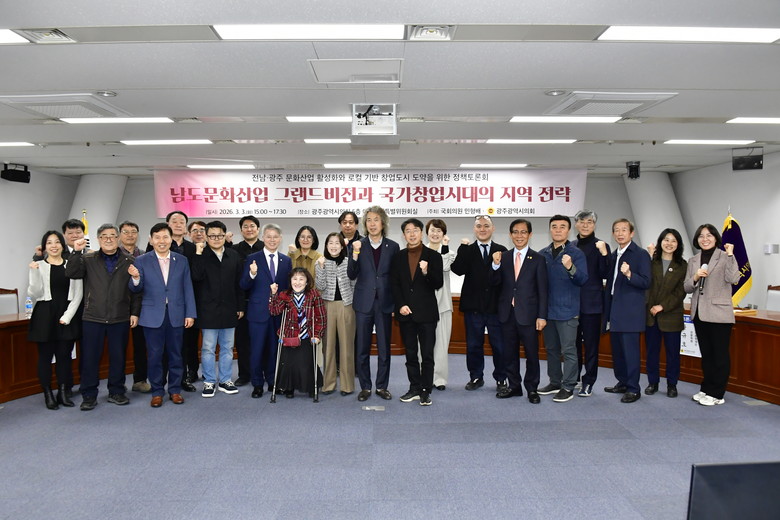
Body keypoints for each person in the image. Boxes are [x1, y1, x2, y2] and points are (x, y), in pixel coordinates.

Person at [66, 223, 140, 411]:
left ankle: (116, 391)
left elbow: (136, 290)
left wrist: (134, 312)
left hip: (120, 317)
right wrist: (76, 252)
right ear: (98, 239)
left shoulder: (130, 260)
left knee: (118, 357)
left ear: (118, 238)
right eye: (104, 236)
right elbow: (71, 272)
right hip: (93, 317)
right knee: (90, 358)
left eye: (112, 235)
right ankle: (89, 395)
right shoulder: (88, 259)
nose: (108, 239)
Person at [129, 223, 197, 407]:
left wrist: (190, 313)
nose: (161, 241)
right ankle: (157, 391)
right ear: (151, 240)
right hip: (152, 316)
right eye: (157, 237)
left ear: (171, 239)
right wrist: (135, 278)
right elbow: (135, 288)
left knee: (176, 355)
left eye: (165, 237)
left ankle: (175, 390)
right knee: (155, 355)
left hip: (176, 314)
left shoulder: (181, 260)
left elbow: (187, 288)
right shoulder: (141, 260)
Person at [491, 219, 548, 404]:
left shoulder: (538, 259)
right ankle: (514, 386)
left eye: (523, 232)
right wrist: (495, 266)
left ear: (530, 235)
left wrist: (542, 316)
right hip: (507, 314)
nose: (519, 235)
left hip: (529, 315)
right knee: (509, 353)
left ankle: (532, 388)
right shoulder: (503, 257)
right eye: (515, 232)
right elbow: (495, 284)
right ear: (510, 235)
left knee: (532, 354)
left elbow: (543, 290)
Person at [684, 224, 740, 406]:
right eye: (701, 236)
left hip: (719, 313)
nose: (705, 239)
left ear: (716, 238)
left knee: (719, 356)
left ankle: (717, 394)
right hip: (699, 313)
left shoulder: (725, 257)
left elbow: (734, 278)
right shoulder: (693, 260)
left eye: (709, 235)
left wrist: (730, 255)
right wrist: (695, 277)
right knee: (707, 355)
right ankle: (706, 388)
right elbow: (686, 287)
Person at [348, 205, 400, 402]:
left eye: (376, 219)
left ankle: (381, 386)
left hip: (385, 303)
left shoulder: (393, 246)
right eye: (368, 220)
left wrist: (396, 304)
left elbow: (396, 277)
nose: (372, 224)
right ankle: (365, 387)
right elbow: (351, 273)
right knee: (362, 348)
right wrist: (354, 253)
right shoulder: (357, 245)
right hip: (363, 303)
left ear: (383, 223)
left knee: (384, 348)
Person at [451, 215, 508, 392]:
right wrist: (462, 249)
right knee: (474, 345)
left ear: (493, 228)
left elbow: (505, 278)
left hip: (495, 308)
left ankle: (501, 379)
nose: (482, 229)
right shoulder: (467, 250)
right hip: (473, 307)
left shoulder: (502, 250)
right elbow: (457, 270)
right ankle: (476, 377)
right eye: (479, 226)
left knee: (499, 346)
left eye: (486, 226)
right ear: (474, 229)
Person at [27, 231, 83, 409]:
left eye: (57, 242)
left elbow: (78, 295)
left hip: (66, 315)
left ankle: (63, 392)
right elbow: (35, 293)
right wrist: (34, 272)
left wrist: (67, 316)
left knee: (64, 357)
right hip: (44, 316)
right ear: (44, 247)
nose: (53, 245)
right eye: (49, 242)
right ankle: (48, 394)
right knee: (45, 357)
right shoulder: (38, 265)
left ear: (62, 245)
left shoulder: (71, 264)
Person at [391, 218, 444, 406]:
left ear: (422, 233)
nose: (412, 234)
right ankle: (414, 387)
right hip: (406, 313)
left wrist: (426, 272)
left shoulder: (433, 256)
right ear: (403, 235)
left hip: (427, 314)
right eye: (408, 231)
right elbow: (394, 284)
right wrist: (400, 305)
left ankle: (425, 390)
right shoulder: (398, 257)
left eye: (415, 230)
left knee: (427, 355)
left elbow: (438, 283)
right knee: (411, 354)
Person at [191, 221, 245, 398]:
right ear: (206, 237)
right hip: (207, 309)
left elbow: (239, 284)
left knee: (228, 348)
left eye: (220, 235)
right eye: (212, 236)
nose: (216, 238)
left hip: (229, 308)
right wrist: (198, 254)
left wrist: (240, 306)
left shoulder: (233, 255)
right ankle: (209, 381)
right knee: (208, 348)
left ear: (224, 236)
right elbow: (196, 276)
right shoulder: (200, 255)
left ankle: (225, 380)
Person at [538, 215, 588, 403]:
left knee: (568, 350)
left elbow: (583, 279)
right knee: (551, 349)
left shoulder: (576, 254)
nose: (558, 230)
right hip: (548, 311)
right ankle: (555, 382)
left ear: (568, 230)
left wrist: (570, 267)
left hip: (568, 310)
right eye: (554, 226)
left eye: (562, 227)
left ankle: (568, 386)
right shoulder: (542, 253)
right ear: (550, 229)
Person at [601, 218, 651, 404]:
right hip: (614, 308)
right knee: (618, 351)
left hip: (630, 311)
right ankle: (622, 382)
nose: (620, 233)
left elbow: (646, 281)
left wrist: (630, 274)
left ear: (632, 233)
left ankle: (633, 388)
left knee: (630, 352)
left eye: (624, 229)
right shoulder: (614, 254)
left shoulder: (640, 254)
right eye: (616, 230)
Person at [239, 223, 291, 399]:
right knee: (257, 349)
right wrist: (252, 274)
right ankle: (257, 384)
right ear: (263, 238)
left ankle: (273, 381)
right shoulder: (253, 259)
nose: (272, 240)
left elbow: (288, 288)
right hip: (258, 312)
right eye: (268, 236)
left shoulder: (286, 260)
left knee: (274, 349)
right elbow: (243, 285)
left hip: (278, 313)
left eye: (275, 237)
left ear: (280, 239)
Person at [269, 268, 326, 398]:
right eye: (294, 279)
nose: (297, 282)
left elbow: (321, 317)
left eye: (301, 279)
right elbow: (274, 311)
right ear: (290, 281)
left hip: (307, 335)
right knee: (289, 364)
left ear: (307, 281)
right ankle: (289, 387)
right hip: (290, 335)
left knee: (306, 363)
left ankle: (311, 386)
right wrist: (273, 294)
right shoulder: (285, 295)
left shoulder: (313, 294)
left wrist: (317, 335)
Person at [571, 210, 610, 397]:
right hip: (572, 304)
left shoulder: (601, 245)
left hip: (592, 304)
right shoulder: (570, 245)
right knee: (572, 346)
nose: (585, 225)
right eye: (582, 221)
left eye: (589, 222)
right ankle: (574, 378)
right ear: (576, 224)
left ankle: (589, 381)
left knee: (591, 347)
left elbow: (605, 274)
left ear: (594, 225)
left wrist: (604, 254)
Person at [644, 228, 687, 398]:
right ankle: (652, 383)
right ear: (660, 242)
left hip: (671, 315)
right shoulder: (651, 262)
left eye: (673, 241)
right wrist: (651, 306)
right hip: (651, 316)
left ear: (678, 244)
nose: (669, 243)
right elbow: (646, 285)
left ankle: (672, 385)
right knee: (651, 352)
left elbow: (680, 292)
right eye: (666, 240)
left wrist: (662, 306)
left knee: (673, 354)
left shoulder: (682, 265)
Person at [314, 232, 356, 396]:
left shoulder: (349, 262)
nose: (333, 246)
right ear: (326, 245)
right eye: (330, 243)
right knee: (328, 347)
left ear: (342, 245)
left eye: (337, 243)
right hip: (327, 306)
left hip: (347, 306)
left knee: (347, 346)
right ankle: (329, 384)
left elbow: (354, 284)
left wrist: (352, 302)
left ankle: (347, 385)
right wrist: (321, 268)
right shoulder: (321, 262)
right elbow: (320, 286)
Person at [231, 215, 264, 387]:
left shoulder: (266, 248)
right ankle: (244, 374)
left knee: (263, 339)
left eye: (252, 226)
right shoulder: (234, 250)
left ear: (258, 229)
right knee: (242, 340)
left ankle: (264, 371)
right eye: (245, 226)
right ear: (241, 230)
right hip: (242, 302)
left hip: (263, 301)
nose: (249, 229)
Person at [119, 220, 151, 393]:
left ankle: (140, 380)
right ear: (119, 235)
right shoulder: (114, 255)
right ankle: (118, 383)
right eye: (126, 232)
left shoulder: (145, 256)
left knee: (140, 346)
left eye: (133, 232)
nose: (130, 235)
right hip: (119, 307)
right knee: (119, 347)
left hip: (141, 307)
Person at [425, 218, 456, 391]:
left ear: (444, 234)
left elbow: (443, 267)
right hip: (424, 305)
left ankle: (439, 379)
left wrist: (444, 248)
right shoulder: (420, 251)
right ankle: (425, 377)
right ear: (427, 232)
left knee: (442, 345)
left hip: (443, 305)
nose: (435, 234)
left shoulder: (449, 253)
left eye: (439, 231)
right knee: (423, 344)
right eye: (432, 230)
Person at [180, 219, 207, 391]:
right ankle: (192, 371)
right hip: (191, 302)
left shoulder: (213, 248)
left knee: (210, 341)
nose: (198, 233)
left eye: (202, 230)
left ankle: (209, 372)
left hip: (210, 303)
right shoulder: (187, 250)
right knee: (189, 341)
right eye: (195, 230)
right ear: (189, 234)